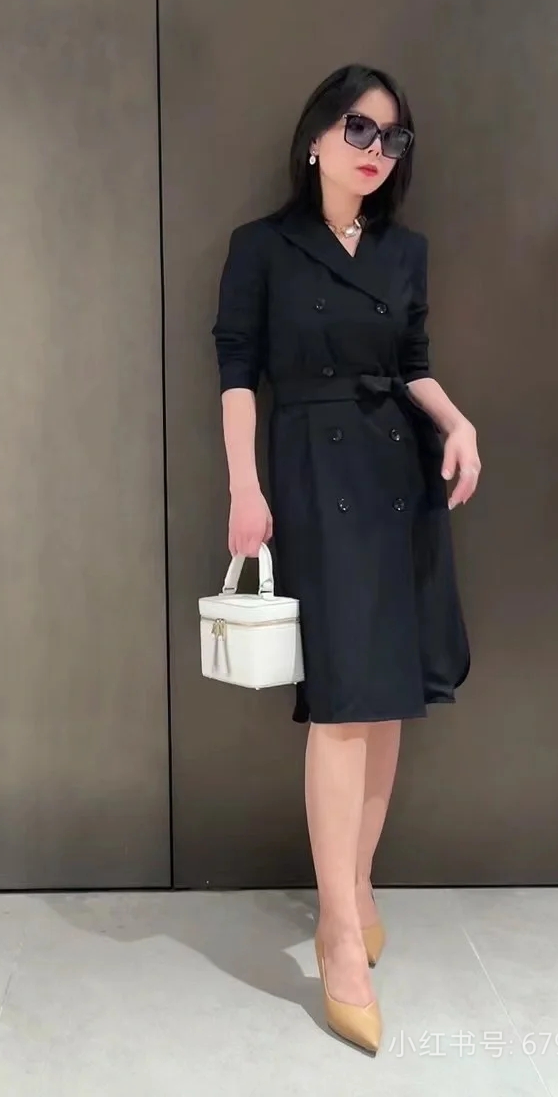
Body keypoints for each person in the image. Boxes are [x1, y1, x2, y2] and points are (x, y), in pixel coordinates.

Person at [212, 63, 478, 1055]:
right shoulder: (262, 246)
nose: (375, 151)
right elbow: (237, 373)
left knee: (387, 696)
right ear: (316, 137)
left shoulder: (405, 251)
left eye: (392, 138)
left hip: (397, 472)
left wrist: (458, 423)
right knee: (341, 703)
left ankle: (358, 886)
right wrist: (245, 489)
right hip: (310, 473)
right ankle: (335, 932)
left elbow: (413, 365)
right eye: (359, 129)